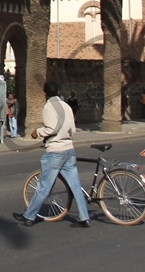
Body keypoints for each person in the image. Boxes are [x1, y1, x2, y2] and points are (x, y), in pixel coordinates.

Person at [15, 92, 90, 227]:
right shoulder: (66, 106)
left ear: (44, 93)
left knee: (44, 186)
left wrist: (37, 132)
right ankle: (84, 217)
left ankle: (29, 216)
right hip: (69, 149)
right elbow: (72, 129)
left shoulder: (49, 107)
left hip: (55, 151)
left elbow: (51, 129)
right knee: (75, 186)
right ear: (58, 93)